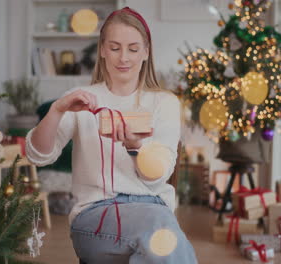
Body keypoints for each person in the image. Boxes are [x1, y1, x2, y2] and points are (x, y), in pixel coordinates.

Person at [26, 7, 197, 264]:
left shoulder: (165, 103)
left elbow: (159, 175)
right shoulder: (80, 98)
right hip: (95, 214)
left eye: (133, 48)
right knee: (162, 234)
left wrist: (136, 147)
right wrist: (56, 110)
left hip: (153, 209)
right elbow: (37, 155)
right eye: (115, 48)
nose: (123, 58)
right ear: (103, 50)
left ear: (146, 52)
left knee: (159, 235)